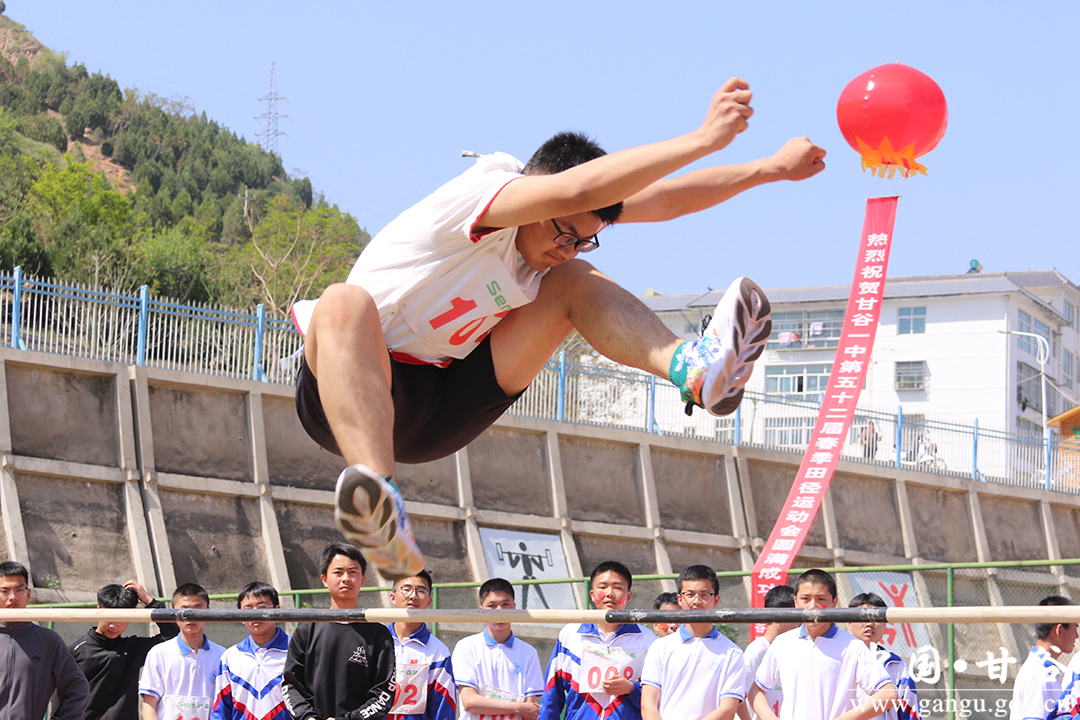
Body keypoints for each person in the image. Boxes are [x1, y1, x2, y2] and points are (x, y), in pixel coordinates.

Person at [290, 79, 827, 578]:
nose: (565, 247)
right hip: (348, 395)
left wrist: (770, 168)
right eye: (563, 232)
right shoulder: (483, 193)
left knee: (572, 281)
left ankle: (694, 370)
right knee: (343, 302)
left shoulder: (562, 238)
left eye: (582, 238)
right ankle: (378, 502)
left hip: (439, 407)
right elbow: (573, 191)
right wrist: (704, 138)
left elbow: (664, 200)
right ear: (535, 193)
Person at [749, 569, 896, 720]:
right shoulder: (783, 643)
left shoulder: (853, 646)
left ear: (834, 602)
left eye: (821, 599)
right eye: (805, 599)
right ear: (796, 602)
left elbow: (889, 694)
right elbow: (756, 690)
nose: (813, 606)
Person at [282, 542, 396, 720]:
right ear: (324, 579)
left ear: (363, 579)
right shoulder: (306, 630)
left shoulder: (379, 635)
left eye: (352, 572)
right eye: (338, 572)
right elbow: (291, 685)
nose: (346, 578)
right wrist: (308, 717)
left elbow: (383, 693)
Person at [539, 560, 656, 720]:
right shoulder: (570, 634)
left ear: (629, 596)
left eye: (617, 588)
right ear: (592, 594)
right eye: (602, 587)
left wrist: (631, 689)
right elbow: (553, 691)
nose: (609, 593)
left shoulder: (647, 639)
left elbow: (655, 697)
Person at [640, 564, 746, 720]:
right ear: (680, 599)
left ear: (716, 599)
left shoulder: (733, 653)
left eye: (704, 595)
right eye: (690, 594)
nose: (696, 601)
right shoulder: (660, 647)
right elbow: (648, 704)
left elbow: (728, 708)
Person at [69, 579, 180, 720]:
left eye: (122, 618)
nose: (114, 625)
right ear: (98, 611)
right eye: (110, 617)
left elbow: (173, 637)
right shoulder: (75, 650)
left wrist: (150, 602)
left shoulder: (133, 649)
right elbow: (61, 698)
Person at [0, 560, 89, 720]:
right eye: (5, 591)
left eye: (19, 590)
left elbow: (77, 687)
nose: (12, 597)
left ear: (28, 594)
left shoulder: (48, 641)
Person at [452, 578, 545, 720]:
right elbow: (470, 702)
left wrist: (523, 709)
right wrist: (518, 708)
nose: (500, 611)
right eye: (492, 606)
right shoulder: (466, 647)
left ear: (514, 608)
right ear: (481, 611)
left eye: (506, 604)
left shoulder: (529, 653)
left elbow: (530, 711)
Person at [139, 582, 225, 720]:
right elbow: (149, 704)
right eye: (184, 610)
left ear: (208, 611)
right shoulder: (159, 653)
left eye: (197, 609)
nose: (190, 616)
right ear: (173, 613)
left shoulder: (222, 655)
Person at [211, 581, 291, 720]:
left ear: (277, 610)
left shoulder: (296, 652)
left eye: (262, 607)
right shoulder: (230, 657)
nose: (255, 613)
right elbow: (221, 709)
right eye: (248, 608)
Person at [386, 569, 456, 720]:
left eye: (421, 591)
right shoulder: (375, 643)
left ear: (429, 601)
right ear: (393, 597)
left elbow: (443, 710)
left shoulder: (438, 652)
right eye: (406, 589)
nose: (413, 595)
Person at [846, 593, 919, 720]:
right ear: (849, 622)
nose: (869, 623)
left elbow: (910, 713)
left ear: (886, 624)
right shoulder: (837, 660)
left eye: (876, 618)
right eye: (863, 617)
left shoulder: (897, 666)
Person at [1011, 595, 1076, 720]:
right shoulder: (1038, 673)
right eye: (1075, 628)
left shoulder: (1046, 670)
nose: (1077, 636)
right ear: (1059, 630)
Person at [742, 585, 797, 720]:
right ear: (780, 616)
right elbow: (739, 694)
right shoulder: (757, 650)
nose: (800, 623)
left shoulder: (789, 650)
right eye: (796, 616)